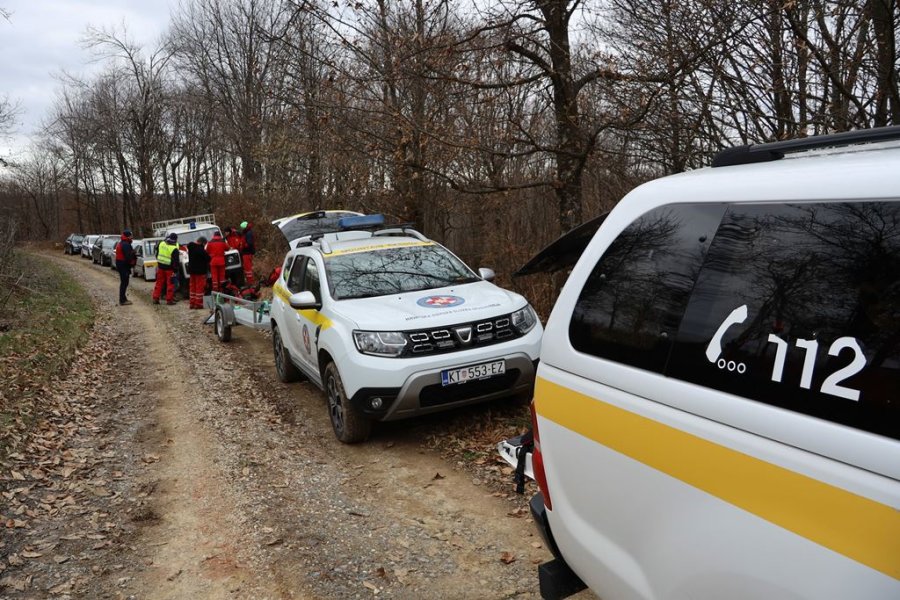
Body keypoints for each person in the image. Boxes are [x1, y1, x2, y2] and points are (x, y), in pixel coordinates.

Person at [153, 233, 180, 305]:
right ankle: (169, 300)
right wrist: (175, 270)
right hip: (169, 269)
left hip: (160, 267)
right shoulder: (174, 249)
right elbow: (176, 262)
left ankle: (155, 298)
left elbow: (157, 253)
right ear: (176, 239)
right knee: (170, 284)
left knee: (159, 283)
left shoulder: (161, 243)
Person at [186, 236, 211, 309]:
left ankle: (192, 303)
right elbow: (208, 258)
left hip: (192, 271)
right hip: (200, 272)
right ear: (202, 243)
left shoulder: (191, 248)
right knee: (199, 288)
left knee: (192, 288)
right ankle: (198, 304)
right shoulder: (201, 250)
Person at [115, 230, 137, 306]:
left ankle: (123, 298)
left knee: (124, 282)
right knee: (124, 283)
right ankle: (122, 300)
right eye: (131, 236)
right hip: (123, 265)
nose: (132, 237)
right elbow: (128, 257)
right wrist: (133, 257)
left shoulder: (122, 243)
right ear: (128, 236)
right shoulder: (125, 244)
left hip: (121, 264)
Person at [240, 220, 255, 285]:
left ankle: (250, 282)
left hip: (247, 253)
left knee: (248, 269)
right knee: (247, 269)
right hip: (247, 253)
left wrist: (243, 245)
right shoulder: (248, 233)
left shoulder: (248, 233)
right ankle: (250, 281)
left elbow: (249, 243)